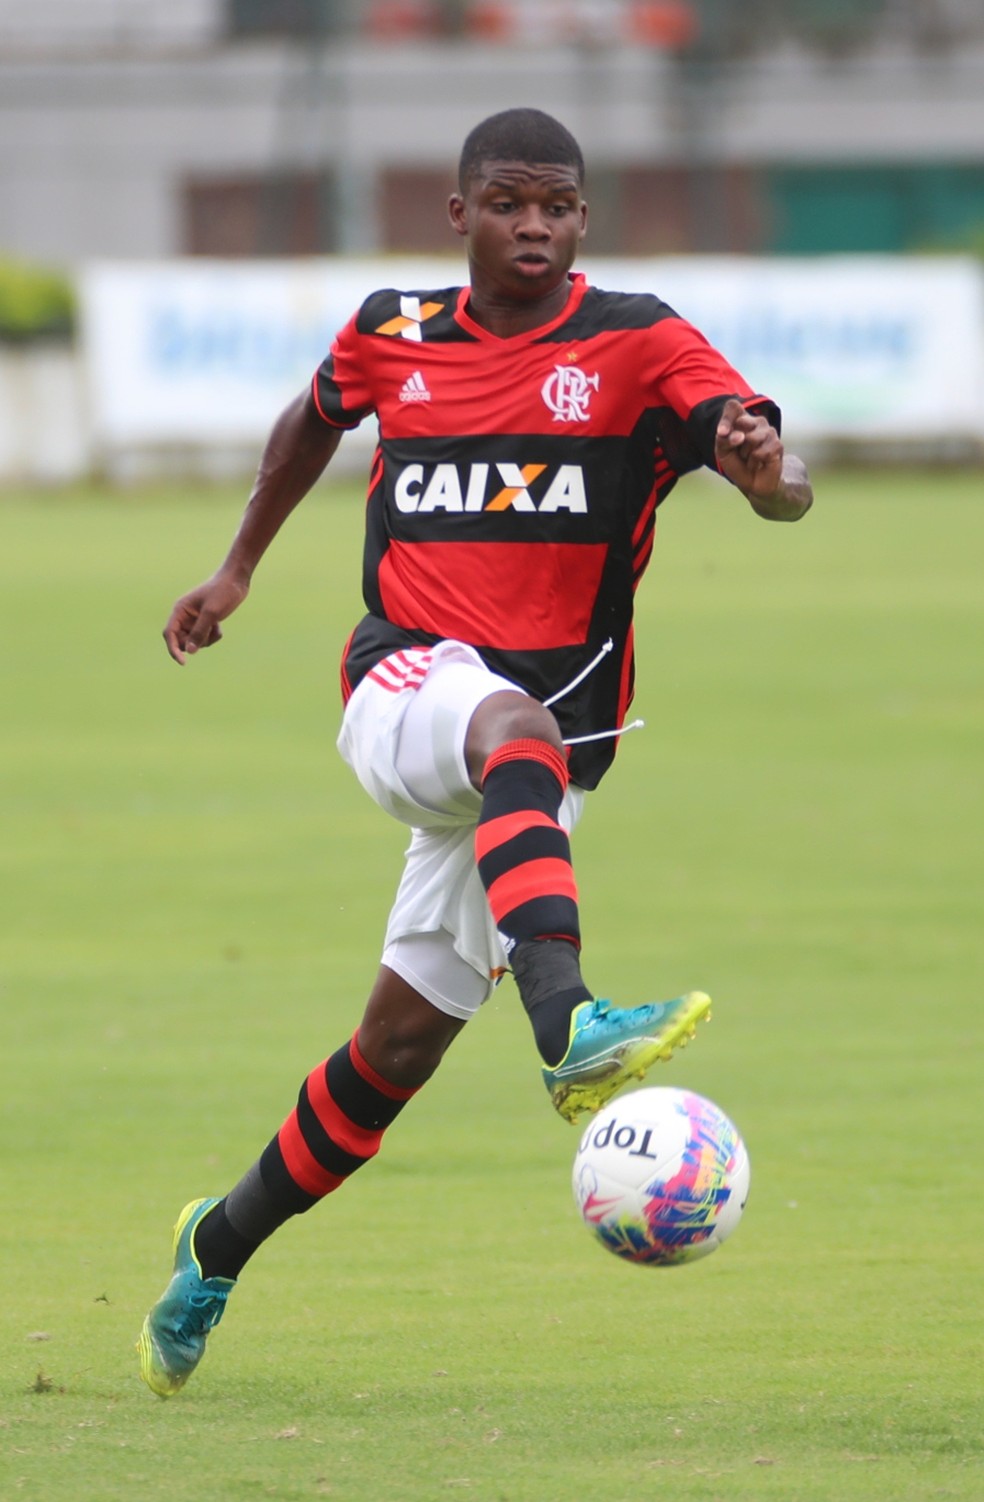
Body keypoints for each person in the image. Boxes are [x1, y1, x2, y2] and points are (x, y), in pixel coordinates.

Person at [138, 107, 812, 1398]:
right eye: (510, 203)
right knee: (512, 722)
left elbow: (774, 475)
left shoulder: (637, 340)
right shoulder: (393, 331)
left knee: (396, 1049)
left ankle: (212, 1248)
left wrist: (765, 471)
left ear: (584, 220)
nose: (536, 226)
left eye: (558, 204)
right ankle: (572, 1030)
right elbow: (311, 419)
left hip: (538, 769)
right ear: (461, 217)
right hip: (404, 684)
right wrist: (233, 571)